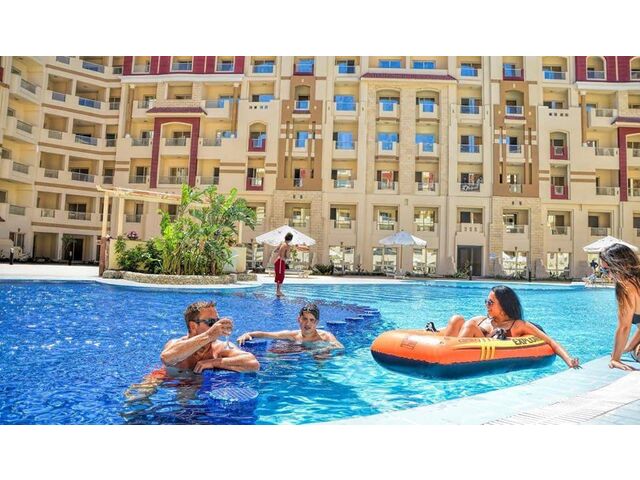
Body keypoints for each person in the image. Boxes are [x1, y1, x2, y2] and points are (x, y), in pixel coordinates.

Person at [428, 285, 580, 369]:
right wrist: (434, 332)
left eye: (490, 303)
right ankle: (439, 354)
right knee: (457, 319)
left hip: (469, 358)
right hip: (452, 348)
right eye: (486, 302)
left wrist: (569, 360)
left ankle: (447, 359)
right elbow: (454, 329)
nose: (486, 305)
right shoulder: (481, 320)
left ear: (503, 306)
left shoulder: (517, 325)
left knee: (469, 325)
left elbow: (550, 341)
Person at [160, 301, 260, 373]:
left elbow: (253, 363)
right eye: (211, 322)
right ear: (193, 326)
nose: (217, 326)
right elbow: (166, 358)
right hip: (173, 383)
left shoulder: (220, 347)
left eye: (217, 321)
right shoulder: (176, 344)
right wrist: (209, 335)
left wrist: (213, 363)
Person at [599, 243, 640, 370]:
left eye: (606, 270)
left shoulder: (626, 286)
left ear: (620, 265)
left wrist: (615, 359)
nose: (607, 275)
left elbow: (624, 327)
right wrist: (628, 347)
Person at [236, 303, 343, 350]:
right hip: (297, 357)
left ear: (317, 323)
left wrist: (319, 349)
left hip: (317, 362)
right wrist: (248, 334)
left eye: (312, 320)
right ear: (299, 319)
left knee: (322, 355)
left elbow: (339, 348)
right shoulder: (293, 335)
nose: (308, 324)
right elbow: (267, 334)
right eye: (305, 319)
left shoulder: (326, 336)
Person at [271, 232, 308, 298]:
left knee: (279, 276)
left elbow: (275, 250)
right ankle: (278, 291)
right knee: (280, 277)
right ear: (291, 239)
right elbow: (287, 256)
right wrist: (288, 254)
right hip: (280, 262)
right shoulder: (287, 246)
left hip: (278, 261)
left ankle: (278, 291)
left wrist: (281, 252)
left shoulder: (282, 243)